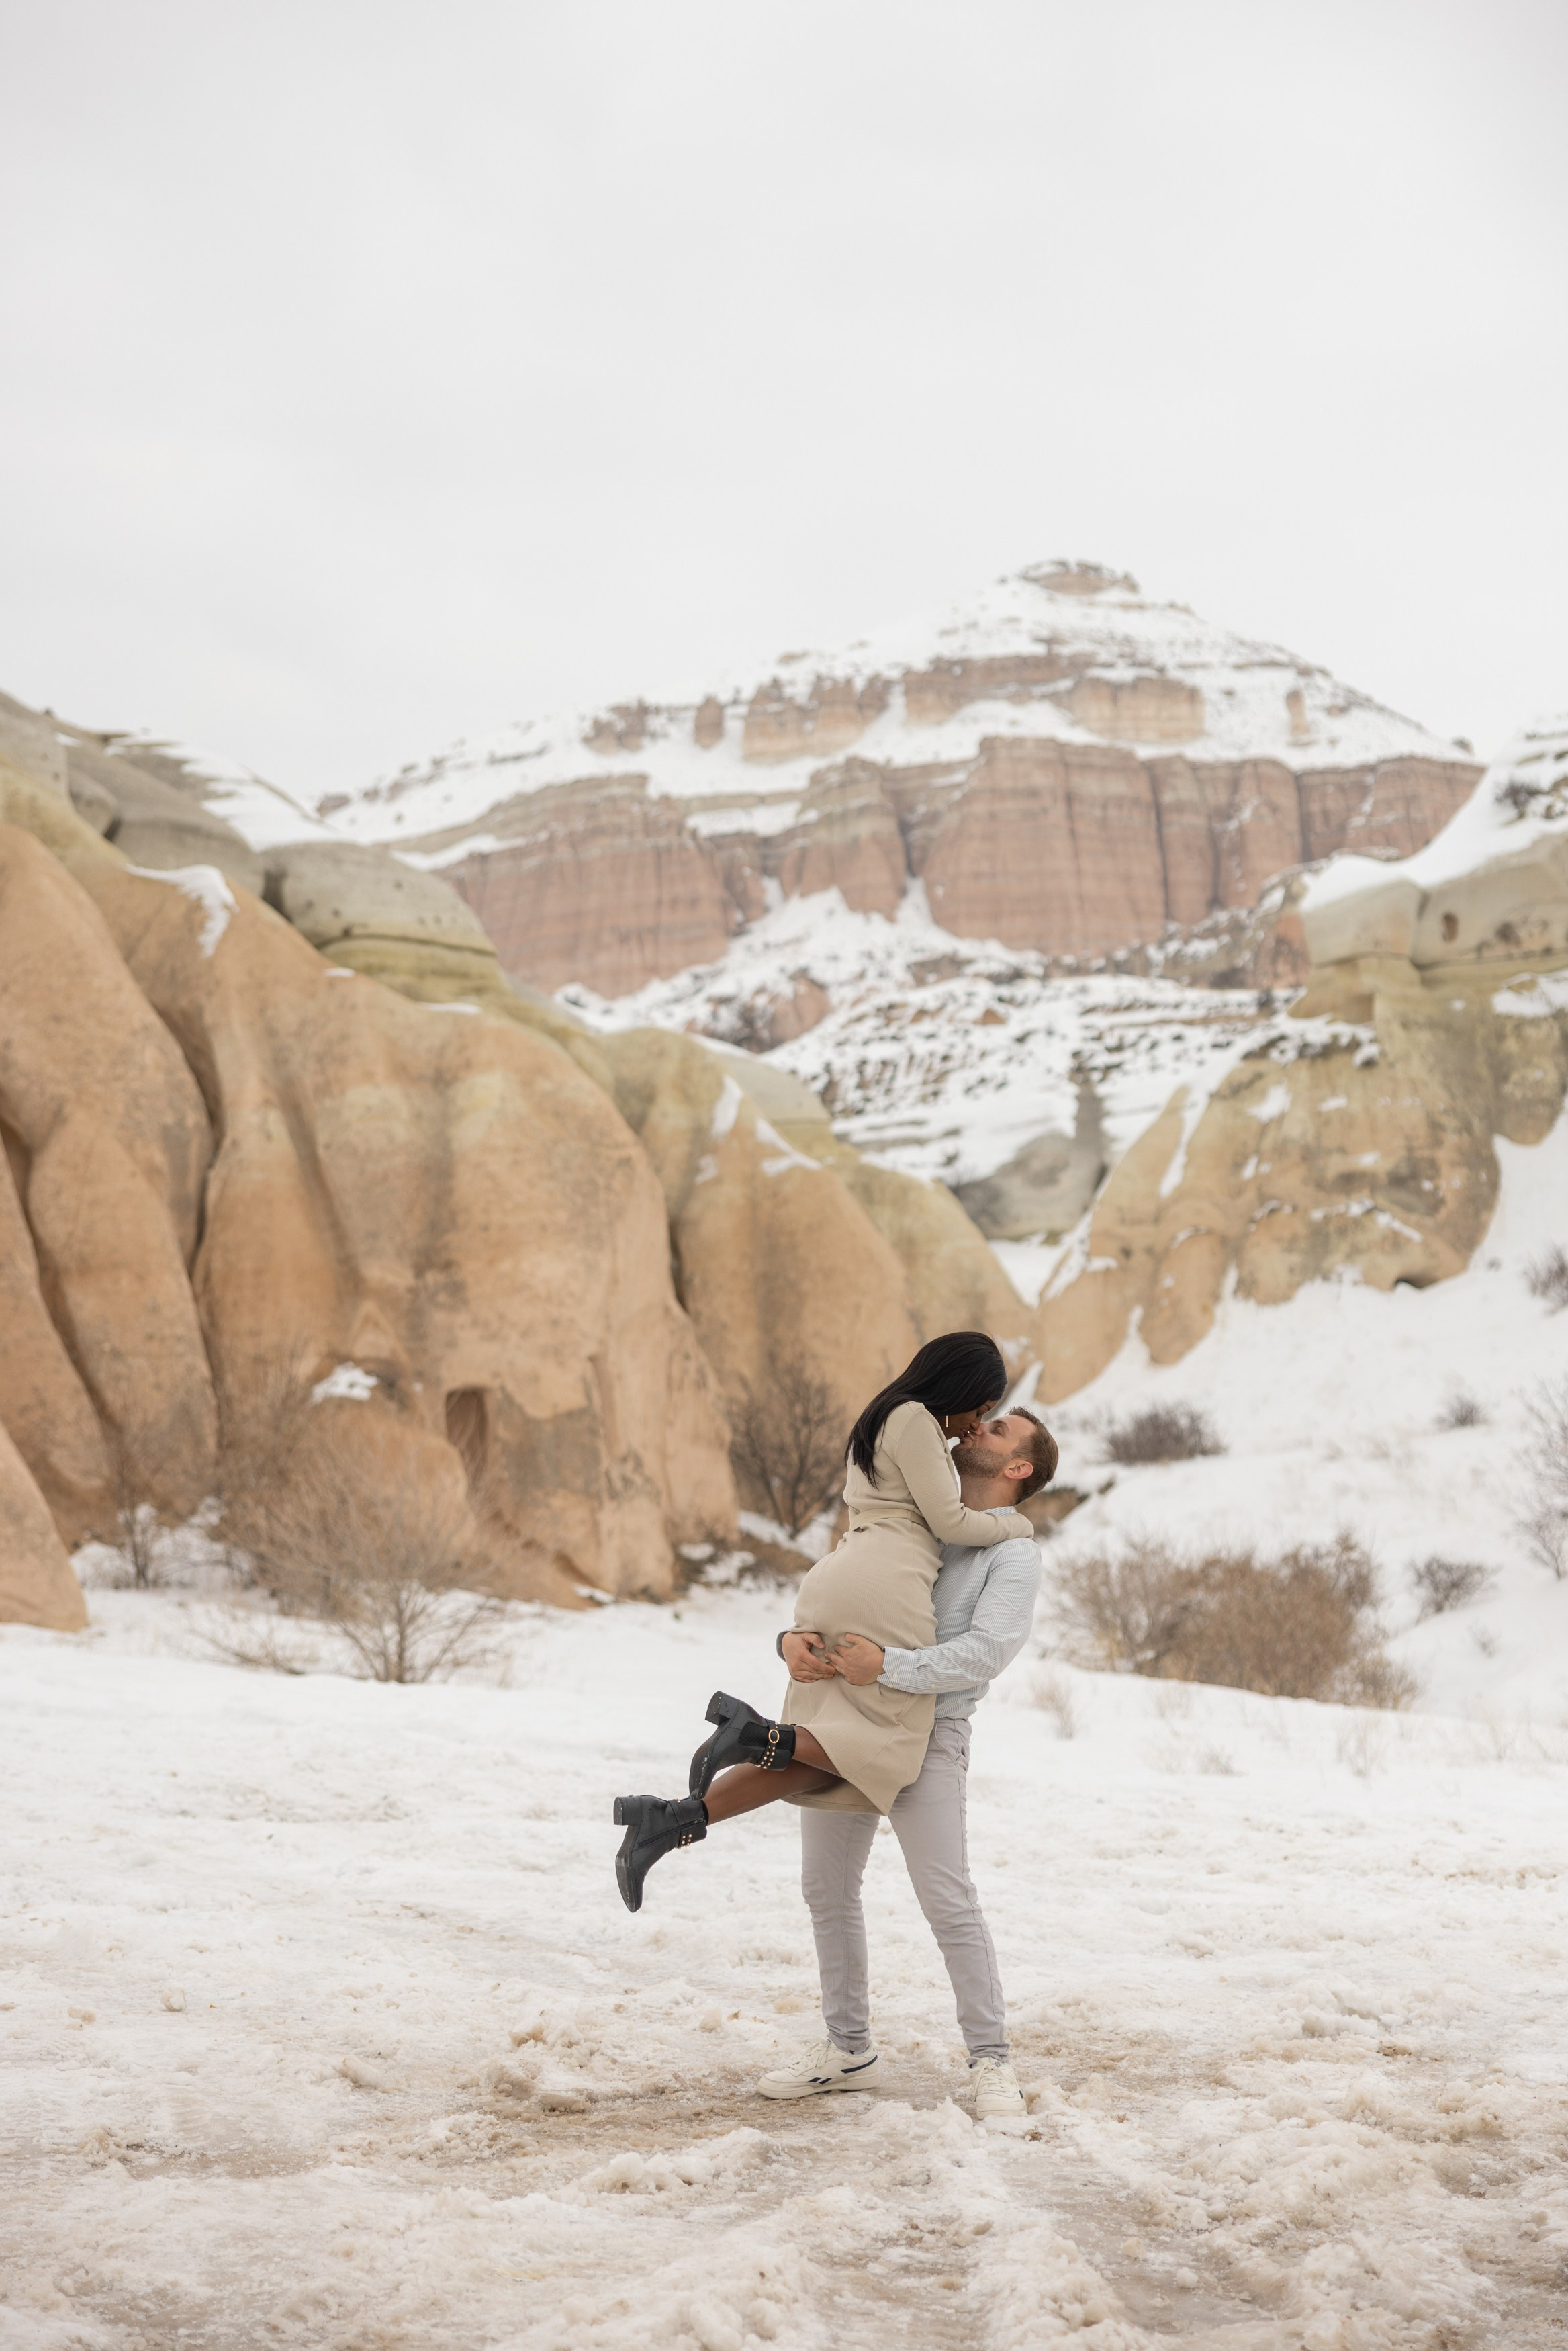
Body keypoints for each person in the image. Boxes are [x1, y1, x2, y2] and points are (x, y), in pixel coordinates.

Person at [612, 1333, 1035, 1913]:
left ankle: (672, 1819)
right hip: (885, 1581)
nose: (972, 1424)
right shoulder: (913, 1420)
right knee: (885, 1750)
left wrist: (788, 1636)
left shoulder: (886, 1419)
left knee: (818, 1762)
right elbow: (951, 1521)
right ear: (960, 1385)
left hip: (843, 1569)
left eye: (989, 1421)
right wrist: (1017, 1526)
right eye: (981, 1409)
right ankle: (751, 1737)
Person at [754, 1405, 1055, 2121]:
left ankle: (991, 2061)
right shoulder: (922, 1512)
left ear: (1020, 1469)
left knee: (947, 1899)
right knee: (825, 1887)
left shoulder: (1012, 1553)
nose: (976, 1427)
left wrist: (891, 1666)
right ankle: (847, 2048)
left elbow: (987, 1651)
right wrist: (791, 1636)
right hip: (847, 1717)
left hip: (931, 1731)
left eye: (999, 1429)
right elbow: (843, 1584)